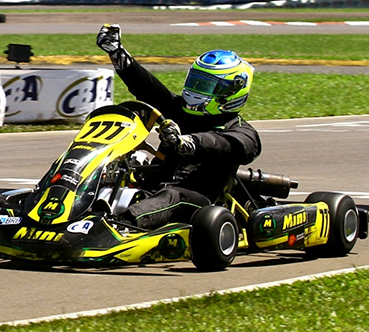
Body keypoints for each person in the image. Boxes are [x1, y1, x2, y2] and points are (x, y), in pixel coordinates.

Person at [96, 24, 261, 229]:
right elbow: (147, 88)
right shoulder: (179, 110)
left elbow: (227, 144)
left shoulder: (240, 131)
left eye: (206, 85)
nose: (197, 90)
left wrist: (189, 142)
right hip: (155, 189)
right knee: (111, 171)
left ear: (230, 90)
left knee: (173, 195)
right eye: (196, 82)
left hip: (199, 202)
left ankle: (118, 226)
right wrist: (116, 52)